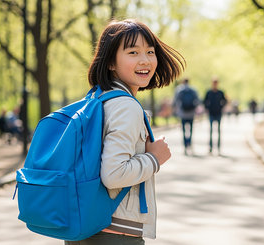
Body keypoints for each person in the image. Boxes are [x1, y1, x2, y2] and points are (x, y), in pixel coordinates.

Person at [65, 19, 185, 245]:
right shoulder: (125, 105)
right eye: (133, 52)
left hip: (86, 226)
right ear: (111, 62)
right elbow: (114, 175)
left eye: (150, 51)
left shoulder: (97, 98)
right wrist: (155, 158)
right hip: (114, 233)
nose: (145, 60)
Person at [173, 78, 199, 155]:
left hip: (183, 113)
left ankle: (185, 146)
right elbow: (197, 100)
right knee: (190, 130)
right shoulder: (193, 90)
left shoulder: (179, 89)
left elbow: (175, 101)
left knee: (184, 131)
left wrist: (175, 110)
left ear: (183, 81)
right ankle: (189, 144)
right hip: (191, 113)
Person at [203, 79, 227, 154]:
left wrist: (221, 106)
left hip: (218, 113)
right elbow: (204, 101)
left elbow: (225, 101)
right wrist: (207, 108)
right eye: (214, 83)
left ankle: (218, 148)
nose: (215, 84)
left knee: (218, 131)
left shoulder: (221, 92)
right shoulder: (209, 92)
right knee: (211, 131)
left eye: (216, 83)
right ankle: (210, 148)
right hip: (211, 113)